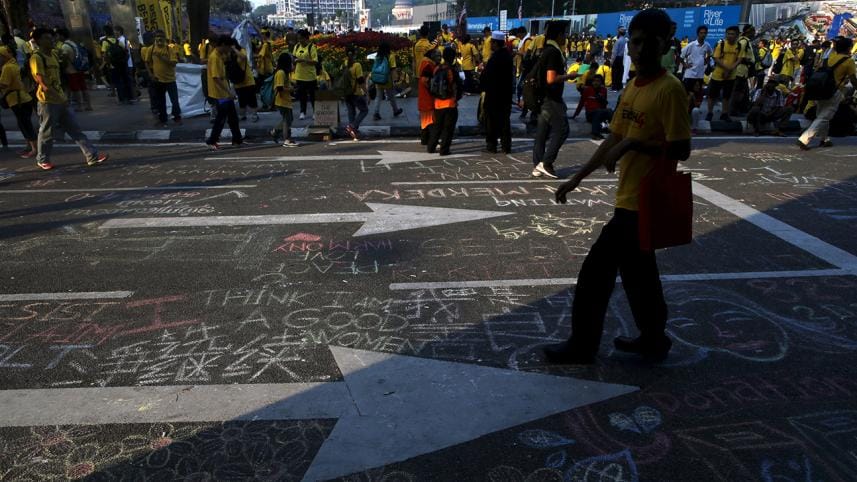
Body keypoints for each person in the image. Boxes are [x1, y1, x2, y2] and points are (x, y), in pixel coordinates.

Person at [546, 8, 691, 365]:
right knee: (640, 276)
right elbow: (614, 138)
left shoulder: (669, 90)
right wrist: (577, 178)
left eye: (644, 43)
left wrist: (634, 145)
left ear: (663, 43)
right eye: (633, 42)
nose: (636, 50)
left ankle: (583, 345)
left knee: (595, 275)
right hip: (627, 197)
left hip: (645, 200)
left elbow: (681, 148)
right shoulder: (632, 87)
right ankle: (654, 339)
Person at [28, 28, 108, 170]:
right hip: (47, 101)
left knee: (75, 129)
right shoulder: (37, 58)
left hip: (61, 99)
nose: (52, 40)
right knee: (46, 132)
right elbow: (42, 82)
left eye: (52, 37)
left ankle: (92, 156)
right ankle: (42, 159)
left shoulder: (53, 54)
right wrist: (60, 97)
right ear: (39, 41)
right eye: (47, 38)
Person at [531, 21, 574, 179]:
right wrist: (570, 76)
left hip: (543, 97)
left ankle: (537, 165)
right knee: (562, 129)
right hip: (551, 97)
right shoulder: (554, 52)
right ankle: (546, 163)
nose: (566, 37)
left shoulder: (545, 50)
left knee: (542, 132)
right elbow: (551, 78)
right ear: (558, 35)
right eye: (564, 34)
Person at [797, 36, 857, 150]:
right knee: (825, 117)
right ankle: (804, 139)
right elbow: (853, 80)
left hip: (821, 89)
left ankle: (824, 139)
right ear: (848, 48)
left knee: (821, 115)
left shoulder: (830, 57)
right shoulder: (849, 61)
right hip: (835, 91)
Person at [205, 35, 242, 150]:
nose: (229, 50)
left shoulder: (220, 56)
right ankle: (212, 140)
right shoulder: (215, 57)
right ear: (223, 45)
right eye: (228, 47)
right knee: (221, 118)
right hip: (219, 93)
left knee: (233, 117)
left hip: (224, 92)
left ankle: (237, 140)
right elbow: (216, 78)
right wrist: (229, 91)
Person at [0, 46, 37, 156]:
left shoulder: (7, 68)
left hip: (17, 100)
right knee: (23, 123)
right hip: (23, 98)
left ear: (3, 56)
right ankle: (29, 146)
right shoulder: (13, 64)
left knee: (25, 124)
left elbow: (3, 84)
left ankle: (34, 149)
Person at [481, 31, 514, 154]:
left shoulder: (494, 58)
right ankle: (506, 146)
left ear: (495, 43)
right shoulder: (507, 56)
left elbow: (487, 77)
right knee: (505, 121)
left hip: (493, 95)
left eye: (492, 43)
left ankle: (492, 145)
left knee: (491, 121)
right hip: (505, 94)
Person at [426, 47, 462, 156]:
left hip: (437, 104)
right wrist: (457, 98)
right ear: (452, 58)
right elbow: (458, 87)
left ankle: (431, 147)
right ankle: (444, 150)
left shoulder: (437, 68)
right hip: (450, 104)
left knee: (437, 127)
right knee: (448, 128)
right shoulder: (453, 71)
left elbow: (431, 85)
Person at [148, 30, 182, 127]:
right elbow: (147, 62)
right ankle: (163, 119)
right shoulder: (151, 49)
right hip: (158, 80)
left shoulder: (169, 49)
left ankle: (177, 117)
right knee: (160, 101)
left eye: (161, 37)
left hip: (170, 79)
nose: (159, 39)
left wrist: (162, 58)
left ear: (164, 38)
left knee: (174, 100)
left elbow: (174, 63)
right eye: (157, 37)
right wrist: (151, 74)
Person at [707, 26, 740, 122]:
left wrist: (730, 70)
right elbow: (716, 58)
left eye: (732, 34)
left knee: (726, 96)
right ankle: (709, 113)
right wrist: (727, 68)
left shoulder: (739, 46)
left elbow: (739, 59)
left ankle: (724, 113)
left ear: (737, 35)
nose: (730, 36)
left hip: (731, 76)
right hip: (717, 75)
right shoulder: (720, 44)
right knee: (712, 95)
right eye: (728, 33)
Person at [55, 28, 92, 112]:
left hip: (71, 71)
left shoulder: (64, 46)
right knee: (83, 87)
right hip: (79, 68)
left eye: (57, 35)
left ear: (61, 36)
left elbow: (64, 59)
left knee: (76, 89)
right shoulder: (73, 43)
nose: (57, 37)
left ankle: (80, 106)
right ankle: (89, 105)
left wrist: (61, 66)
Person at [728, 25, 756, 117]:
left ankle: (741, 109)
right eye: (753, 31)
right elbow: (737, 55)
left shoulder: (745, 41)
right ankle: (733, 111)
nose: (754, 33)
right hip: (740, 71)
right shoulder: (744, 42)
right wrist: (746, 60)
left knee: (743, 92)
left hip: (744, 71)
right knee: (738, 92)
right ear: (748, 31)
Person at [270, 52, 297, 147]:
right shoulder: (281, 73)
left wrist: (292, 84)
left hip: (285, 100)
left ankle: (275, 131)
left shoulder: (284, 72)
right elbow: (280, 88)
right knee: (287, 120)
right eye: (290, 62)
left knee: (289, 119)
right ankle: (286, 139)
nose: (292, 64)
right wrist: (291, 89)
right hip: (281, 100)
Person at [371, 41, 403, 121]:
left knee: (378, 97)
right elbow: (393, 69)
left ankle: (376, 113)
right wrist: (395, 80)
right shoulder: (390, 56)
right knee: (391, 96)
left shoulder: (377, 57)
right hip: (387, 80)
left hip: (378, 80)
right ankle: (395, 110)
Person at [101, 25, 133, 104]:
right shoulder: (118, 41)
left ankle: (121, 99)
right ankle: (129, 97)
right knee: (125, 80)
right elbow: (125, 51)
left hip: (113, 64)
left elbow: (104, 55)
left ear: (105, 33)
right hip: (122, 63)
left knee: (118, 81)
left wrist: (106, 64)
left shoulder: (105, 42)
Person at [574, 74, 612, 140]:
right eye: (594, 81)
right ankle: (595, 133)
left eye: (598, 81)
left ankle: (612, 129)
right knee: (598, 112)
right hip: (590, 113)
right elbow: (581, 103)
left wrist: (601, 99)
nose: (596, 83)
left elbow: (605, 104)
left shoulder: (604, 90)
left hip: (600, 112)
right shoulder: (587, 90)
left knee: (610, 111)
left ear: (601, 82)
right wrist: (575, 114)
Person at [343, 47, 368, 141]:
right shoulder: (357, 65)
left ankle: (353, 134)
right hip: (355, 93)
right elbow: (361, 81)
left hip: (346, 93)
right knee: (364, 110)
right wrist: (367, 93)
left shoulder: (344, 64)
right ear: (355, 54)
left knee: (351, 112)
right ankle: (352, 126)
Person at [292, 29, 318, 120]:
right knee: (302, 95)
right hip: (300, 76)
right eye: (298, 38)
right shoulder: (297, 46)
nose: (299, 40)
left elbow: (315, 61)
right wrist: (294, 63)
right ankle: (302, 112)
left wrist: (303, 60)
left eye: (301, 38)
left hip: (310, 76)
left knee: (312, 96)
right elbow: (294, 57)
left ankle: (315, 112)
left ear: (306, 38)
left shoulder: (311, 47)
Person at [231, 39, 258, 122]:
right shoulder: (229, 54)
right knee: (241, 99)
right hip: (237, 81)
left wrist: (234, 49)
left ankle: (254, 115)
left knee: (251, 98)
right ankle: (242, 115)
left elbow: (243, 57)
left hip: (247, 80)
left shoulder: (241, 50)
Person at [417, 47, 440, 146]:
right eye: (438, 56)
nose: (440, 58)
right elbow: (425, 80)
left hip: (424, 98)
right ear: (432, 56)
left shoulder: (426, 63)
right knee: (430, 121)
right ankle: (430, 141)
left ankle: (425, 140)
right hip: (428, 98)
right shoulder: (428, 65)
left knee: (425, 121)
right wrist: (434, 89)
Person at [681, 26, 712, 92]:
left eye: (705, 33)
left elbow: (710, 54)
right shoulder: (691, 45)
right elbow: (681, 56)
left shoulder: (707, 45)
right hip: (690, 74)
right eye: (701, 33)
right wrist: (684, 64)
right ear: (698, 34)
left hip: (700, 75)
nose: (703, 34)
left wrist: (706, 60)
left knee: (697, 95)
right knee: (688, 94)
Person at [611, 27, 627, 91]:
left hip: (617, 58)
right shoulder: (625, 40)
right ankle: (619, 86)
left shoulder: (618, 41)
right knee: (620, 72)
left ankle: (614, 87)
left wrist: (612, 61)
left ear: (619, 33)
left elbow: (615, 52)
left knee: (615, 73)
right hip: (623, 58)